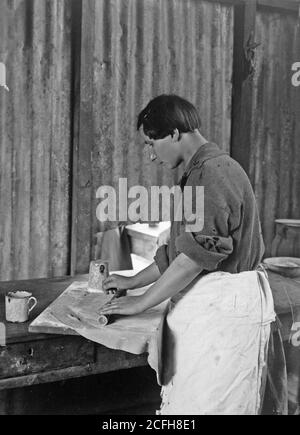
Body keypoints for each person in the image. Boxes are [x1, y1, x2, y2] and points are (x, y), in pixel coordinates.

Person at [99, 94, 275, 415]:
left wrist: (140, 302)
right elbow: (179, 249)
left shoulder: (213, 173)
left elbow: (192, 259)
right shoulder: (197, 174)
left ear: (175, 134)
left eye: (151, 143)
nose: (150, 155)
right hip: (214, 309)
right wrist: (130, 281)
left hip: (227, 311)